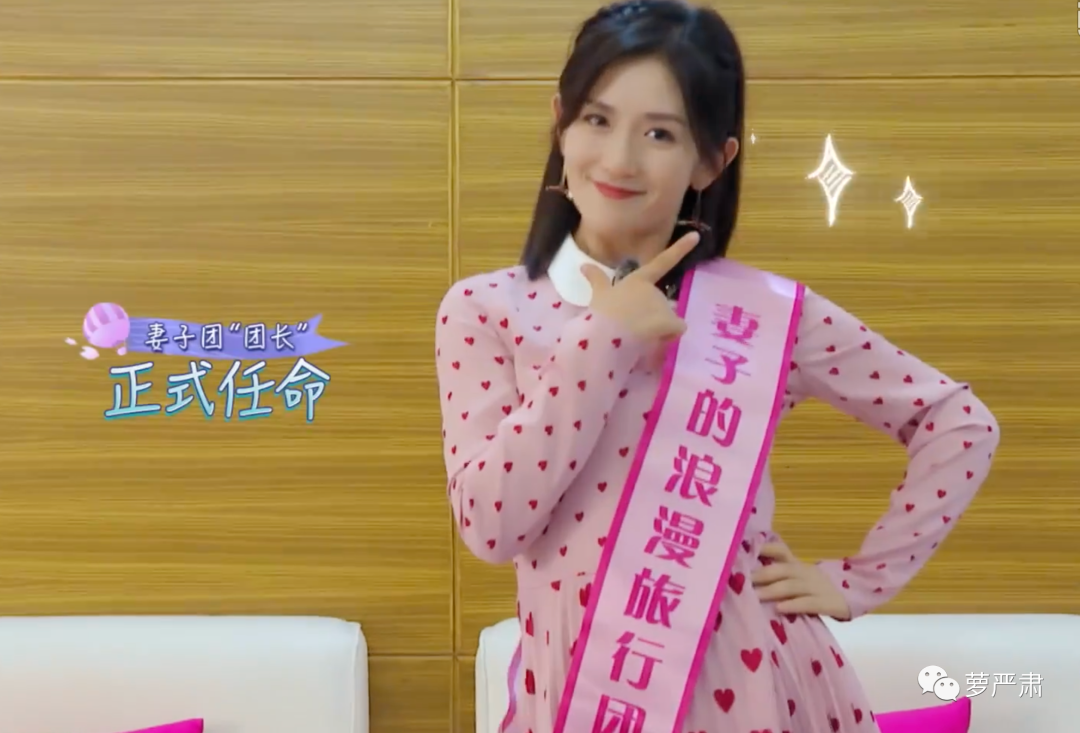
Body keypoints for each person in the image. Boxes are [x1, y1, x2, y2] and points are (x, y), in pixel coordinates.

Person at [434, 2, 999, 732]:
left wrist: (855, 581)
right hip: (579, 686)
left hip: (747, 681)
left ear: (712, 160)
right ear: (561, 124)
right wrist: (604, 337)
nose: (619, 159)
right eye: (597, 119)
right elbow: (491, 524)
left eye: (660, 133)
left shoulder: (757, 314)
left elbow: (960, 422)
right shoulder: (485, 309)